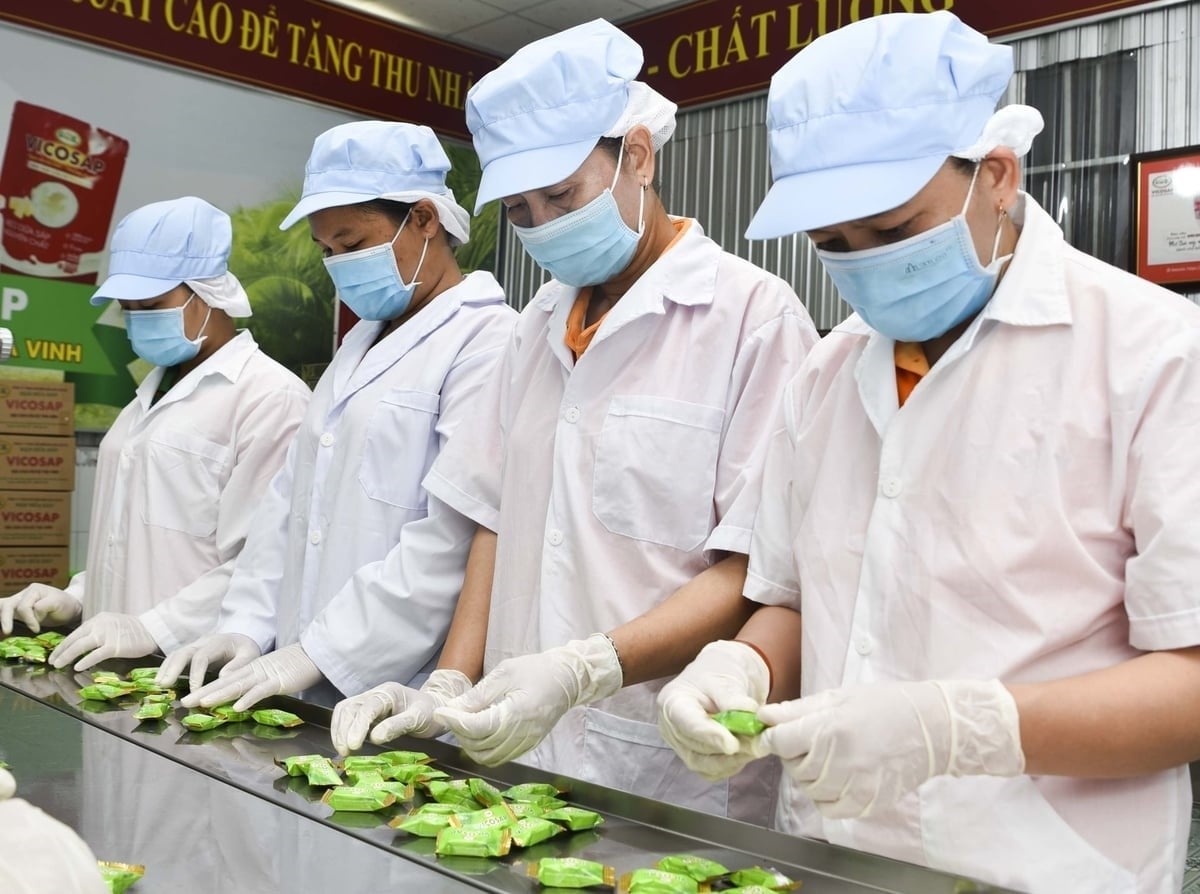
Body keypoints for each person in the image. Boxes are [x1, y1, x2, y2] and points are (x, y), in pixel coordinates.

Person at [656, 10, 1200, 891]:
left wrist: (959, 728)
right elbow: (795, 602)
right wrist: (739, 665)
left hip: (1046, 867)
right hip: (830, 856)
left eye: (893, 230)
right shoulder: (827, 378)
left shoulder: (1155, 356)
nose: (864, 265)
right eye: (833, 245)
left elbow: (1191, 681)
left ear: (995, 175)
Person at [330, 20, 818, 824]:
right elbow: (496, 518)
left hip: (663, 766)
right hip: (519, 749)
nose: (546, 224)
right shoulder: (534, 328)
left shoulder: (753, 320)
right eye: (522, 211)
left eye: (562, 195)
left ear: (637, 156)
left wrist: (588, 668)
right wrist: (454, 677)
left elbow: (753, 571)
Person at [155, 121, 516, 712]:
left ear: (424, 220)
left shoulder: (487, 339)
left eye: (353, 246)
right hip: (301, 672)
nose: (340, 266)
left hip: (399, 684)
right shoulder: (356, 347)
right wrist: (246, 625)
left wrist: (320, 653)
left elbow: (450, 536)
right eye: (327, 252)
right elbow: (290, 504)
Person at [0, 197, 309, 671]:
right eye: (128, 308)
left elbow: (266, 562)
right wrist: (77, 596)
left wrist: (153, 627)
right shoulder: (148, 396)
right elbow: (130, 542)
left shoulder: (270, 398)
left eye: (152, 305)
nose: (138, 318)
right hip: (107, 662)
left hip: (193, 669)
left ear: (207, 293)